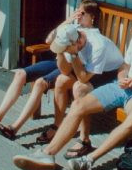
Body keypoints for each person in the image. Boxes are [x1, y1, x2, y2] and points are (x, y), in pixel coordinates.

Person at [12, 0, 132, 170]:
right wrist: (122, 78)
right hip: (121, 87)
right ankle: (47, 155)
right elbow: (125, 66)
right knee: (79, 105)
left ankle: (88, 160)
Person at [0, 0, 101, 140]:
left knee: (40, 83)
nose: (78, 15)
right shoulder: (74, 27)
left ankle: (13, 128)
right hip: (57, 61)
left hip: (69, 68)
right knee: (20, 74)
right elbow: (48, 40)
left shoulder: (92, 36)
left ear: (92, 18)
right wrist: (68, 21)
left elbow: (80, 62)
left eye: (82, 13)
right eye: (77, 11)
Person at [46, 12, 124, 157]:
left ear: (78, 43)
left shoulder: (97, 46)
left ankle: (84, 140)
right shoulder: (73, 36)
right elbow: (64, 70)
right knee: (62, 80)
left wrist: (74, 54)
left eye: (65, 48)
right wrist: (62, 53)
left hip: (110, 73)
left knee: (79, 88)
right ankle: (57, 125)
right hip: (88, 69)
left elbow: (82, 78)